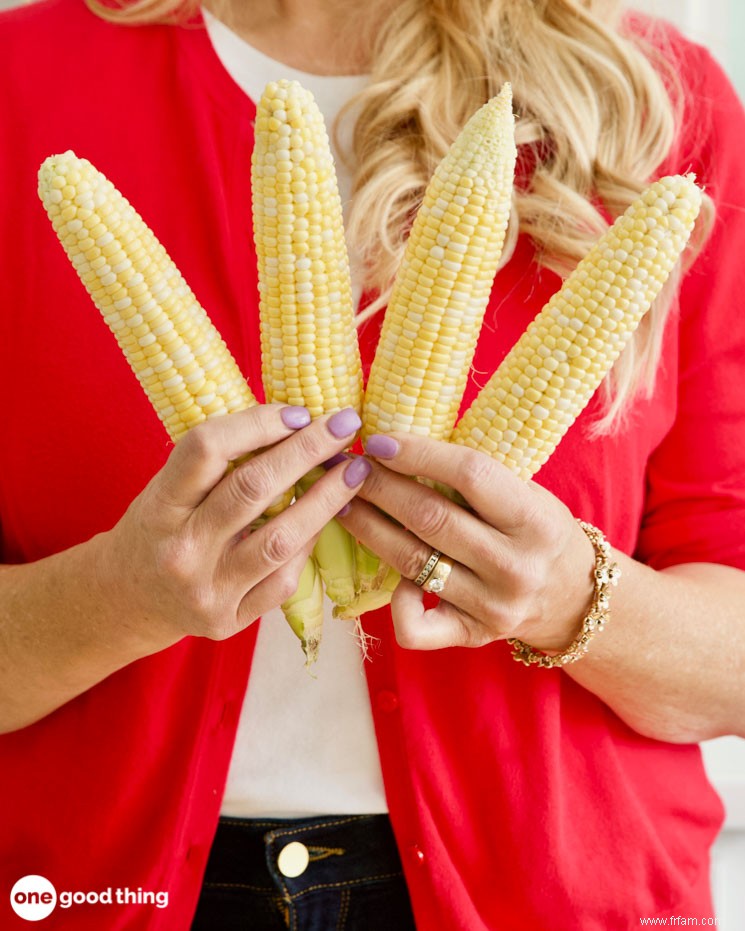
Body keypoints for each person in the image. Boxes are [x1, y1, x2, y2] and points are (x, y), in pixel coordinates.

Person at [0, 0, 743, 928]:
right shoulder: (20, 80)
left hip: (548, 898)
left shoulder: (655, 101)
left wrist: (565, 596)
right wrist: (114, 595)